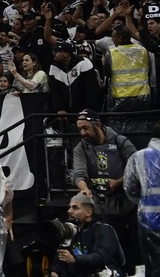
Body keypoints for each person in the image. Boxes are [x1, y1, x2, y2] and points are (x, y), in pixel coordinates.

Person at [71, 109, 139, 273]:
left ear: (98, 125)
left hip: (125, 207)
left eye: (86, 128)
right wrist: (85, 189)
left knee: (129, 252)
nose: (82, 133)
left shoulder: (120, 141)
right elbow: (78, 173)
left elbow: (137, 167)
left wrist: (117, 183)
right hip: (100, 209)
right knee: (104, 251)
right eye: (79, 129)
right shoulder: (81, 148)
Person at [47, 194, 125, 277]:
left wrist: (74, 259)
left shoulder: (104, 229)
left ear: (88, 212)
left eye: (75, 207)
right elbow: (62, 257)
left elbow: (101, 258)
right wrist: (55, 271)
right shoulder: (72, 231)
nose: (69, 211)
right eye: (69, 207)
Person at [123, 119, 160, 277]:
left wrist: (144, 202)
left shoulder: (139, 158)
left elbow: (129, 188)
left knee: (153, 267)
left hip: (148, 221)